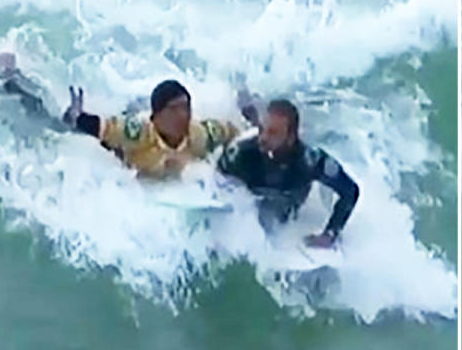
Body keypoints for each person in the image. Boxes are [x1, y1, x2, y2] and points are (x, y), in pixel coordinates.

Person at [218, 99, 359, 249]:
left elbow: (350, 191)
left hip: (288, 208)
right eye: (262, 130)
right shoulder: (240, 154)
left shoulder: (309, 160)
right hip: (252, 203)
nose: (263, 138)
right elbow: (217, 183)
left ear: (291, 138)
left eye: (273, 133)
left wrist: (330, 234)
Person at [62, 79, 246, 178]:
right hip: (132, 160)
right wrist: (77, 117)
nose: (183, 115)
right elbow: (101, 128)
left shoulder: (199, 133)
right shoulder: (138, 132)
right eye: (174, 109)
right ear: (156, 116)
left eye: (186, 107)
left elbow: (233, 132)